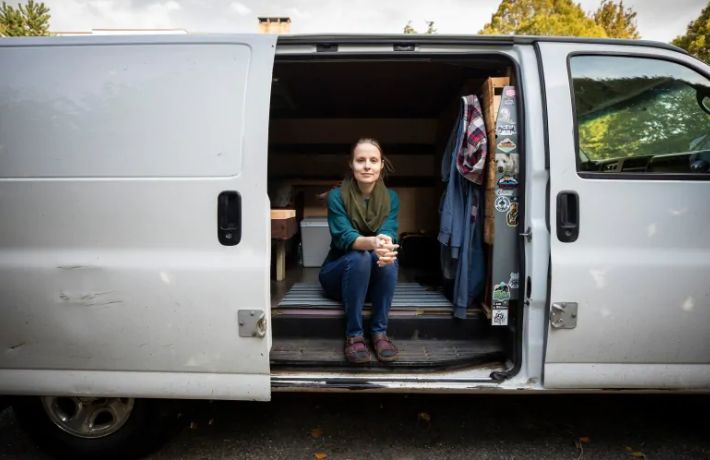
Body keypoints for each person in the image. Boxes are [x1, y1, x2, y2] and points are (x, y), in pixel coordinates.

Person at [318, 138, 400, 364]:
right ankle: (354, 335)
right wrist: (374, 243)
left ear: (381, 165)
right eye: (360, 160)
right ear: (351, 164)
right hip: (338, 277)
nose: (367, 166)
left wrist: (385, 246)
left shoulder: (391, 198)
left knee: (388, 260)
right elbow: (344, 236)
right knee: (360, 257)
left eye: (373, 160)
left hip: (370, 283)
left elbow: (389, 230)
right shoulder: (337, 196)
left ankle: (379, 332)